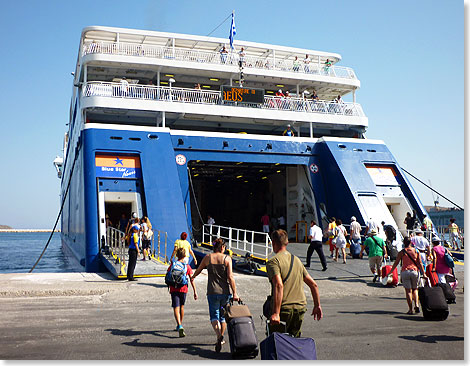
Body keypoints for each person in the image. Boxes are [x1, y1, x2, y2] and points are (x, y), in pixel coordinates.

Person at [267, 229, 322, 337]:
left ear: (273, 243)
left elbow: (278, 285)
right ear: (287, 243)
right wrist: (317, 305)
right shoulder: (296, 260)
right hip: (300, 308)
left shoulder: (273, 262)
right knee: (294, 343)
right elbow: (313, 284)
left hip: (284, 309)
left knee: (278, 343)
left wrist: (276, 313)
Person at [192, 238, 239, 353]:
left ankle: (218, 335)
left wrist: (193, 276)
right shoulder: (227, 259)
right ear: (222, 247)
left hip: (212, 292)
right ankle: (220, 337)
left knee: (214, 316)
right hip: (225, 293)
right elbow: (230, 277)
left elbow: (199, 269)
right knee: (223, 317)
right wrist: (235, 293)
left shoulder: (208, 258)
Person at [385, 237, 426, 314]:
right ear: (411, 242)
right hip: (415, 271)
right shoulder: (416, 251)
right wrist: (424, 273)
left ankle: (410, 309)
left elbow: (396, 262)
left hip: (405, 272)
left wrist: (390, 271)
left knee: (408, 291)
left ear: (404, 243)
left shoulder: (402, 252)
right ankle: (416, 304)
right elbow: (420, 263)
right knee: (415, 289)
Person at [168, 248, 198, 337]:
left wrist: (170, 286)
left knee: (175, 307)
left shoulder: (173, 265)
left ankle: (179, 325)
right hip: (183, 289)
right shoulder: (187, 266)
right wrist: (195, 291)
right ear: (185, 256)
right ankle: (180, 324)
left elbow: (168, 275)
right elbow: (192, 279)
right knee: (182, 306)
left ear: (176, 255)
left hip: (174, 288)